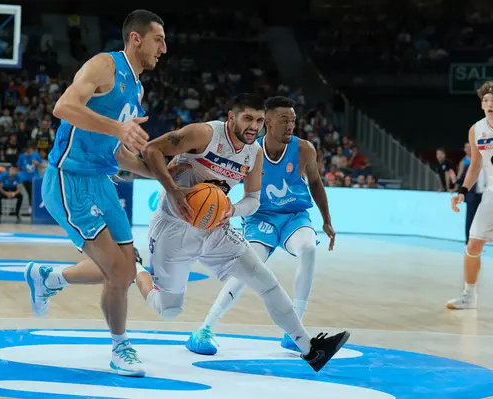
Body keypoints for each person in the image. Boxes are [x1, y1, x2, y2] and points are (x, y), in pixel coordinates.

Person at [136, 93, 349, 373]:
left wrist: (232, 211)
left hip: (216, 227)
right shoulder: (204, 134)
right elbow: (151, 150)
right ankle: (135, 266)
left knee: (264, 279)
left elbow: (253, 200)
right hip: (173, 228)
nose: (254, 126)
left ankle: (310, 349)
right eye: (248, 118)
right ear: (231, 117)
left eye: (259, 120)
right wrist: (173, 191)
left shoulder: (254, 153)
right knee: (169, 309)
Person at [23, 9, 167, 377]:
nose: (163, 48)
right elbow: (64, 107)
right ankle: (121, 348)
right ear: (136, 39)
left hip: (102, 181)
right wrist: (118, 128)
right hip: (69, 179)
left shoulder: (137, 88)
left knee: (125, 268)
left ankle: (48, 278)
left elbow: (117, 152)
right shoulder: (104, 65)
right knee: (119, 273)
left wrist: (164, 175)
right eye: (158, 40)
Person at [184, 95, 336, 355]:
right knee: (248, 267)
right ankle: (205, 328)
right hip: (260, 217)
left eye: (293, 120)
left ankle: (294, 328)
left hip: (294, 215)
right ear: (268, 123)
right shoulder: (250, 152)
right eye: (284, 120)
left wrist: (326, 219)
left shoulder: (305, 150)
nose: (290, 125)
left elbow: (316, 184)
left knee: (309, 249)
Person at [448, 80, 493, 310]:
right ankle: (469, 296)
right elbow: (475, 165)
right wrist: (462, 191)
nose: (489, 104)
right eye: (486, 100)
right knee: (473, 246)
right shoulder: (476, 130)